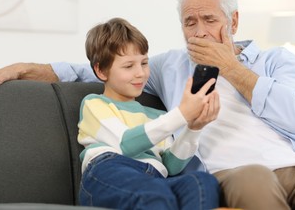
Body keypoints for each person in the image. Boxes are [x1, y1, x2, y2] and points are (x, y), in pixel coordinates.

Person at [0, 0, 295, 209]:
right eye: (189, 22)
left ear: (233, 21)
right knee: (256, 182)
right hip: (237, 172)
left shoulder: (276, 59)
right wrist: (31, 68)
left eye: (210, 20)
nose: (198, 32)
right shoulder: (169, 66)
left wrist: (231, 67)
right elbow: (103, 68)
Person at [76, 17, 220, 209]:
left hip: (155, 176)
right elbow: (126, 144)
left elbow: (171, 166)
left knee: (202, 183)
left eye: (144, 63)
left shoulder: (156, 116)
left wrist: (194, 128)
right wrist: (181, 114)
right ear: (101, 71)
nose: (141, 73)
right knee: (154, 194)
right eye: (129, 66)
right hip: (110, 170)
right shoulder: (95, 104)